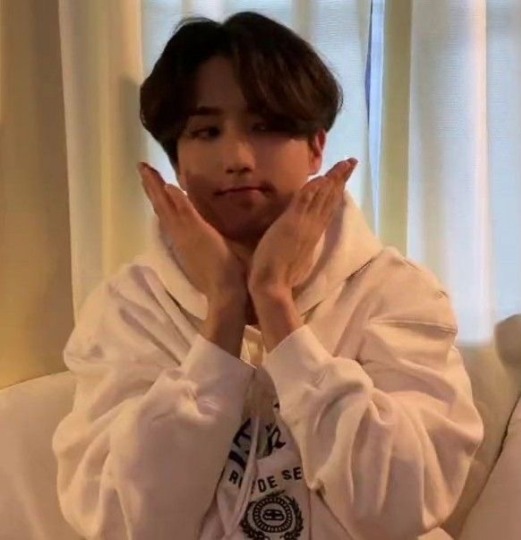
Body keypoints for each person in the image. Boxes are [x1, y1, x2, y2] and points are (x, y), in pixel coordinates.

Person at [52, 11, 483, 540]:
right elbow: (123, 519)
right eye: (206, 132)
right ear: (177, 161)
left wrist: (276, 305)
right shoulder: (130, 308)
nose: (236, 158)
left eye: (265, 127)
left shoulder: (396, 293)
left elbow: (400, 505)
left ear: (317, 147)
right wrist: (223, 314)